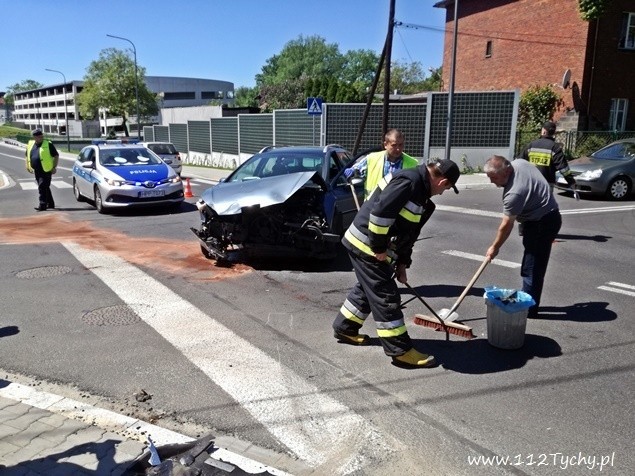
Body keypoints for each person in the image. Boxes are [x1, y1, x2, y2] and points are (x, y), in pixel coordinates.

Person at [333, 158, 461, 368]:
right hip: (366, 245)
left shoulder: (422, 197)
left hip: (373, 248)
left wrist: (402, 263)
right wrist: (379, 249)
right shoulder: (408, 182)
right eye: (446, 188)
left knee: (367, 289)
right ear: (443, 181)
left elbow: (409, 234)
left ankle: (345, 327)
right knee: (385, 295)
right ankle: (400, 350)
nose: (443, 192)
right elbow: (380, 215)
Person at [484, 155, 562, 319]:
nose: (492, 182)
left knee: (531, 268)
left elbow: (506, 226)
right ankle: (527, 300)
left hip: (541, 223)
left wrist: (494, 248)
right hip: (547, 215)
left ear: (506, 171)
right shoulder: (520, 163)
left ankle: (529, 309)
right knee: (533, 265)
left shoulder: (514, 193)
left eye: (494, 177)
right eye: (489, 177)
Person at [344, 128, 419, 199]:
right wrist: (352, 171)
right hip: (373, 206)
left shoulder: (413, 164)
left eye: (400, 145)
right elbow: (357, 170)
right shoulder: (372, 158)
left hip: (398, 208)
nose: (398, 149)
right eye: (394, 145)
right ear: (385, 144)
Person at [520, 121, 575, 191]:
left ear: (544, 131)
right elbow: (563, 168)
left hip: (531, 182)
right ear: (553, 133)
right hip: (546, 184)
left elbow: (519, 161)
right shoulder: (555, 147)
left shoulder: (531, 145)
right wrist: (571, 182)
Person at [25, 129, 59, 211]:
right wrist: (27, 166)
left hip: (46, 170)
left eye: (41, 136)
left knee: (42, 186)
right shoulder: (30, 145)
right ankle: (50, 203)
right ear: (34, 137)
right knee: (45, 187)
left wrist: (54, 167)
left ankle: (42, 205)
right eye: (39, 136)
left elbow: (56, 155)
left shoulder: (48, 144)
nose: (41, 137)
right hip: (37, 170)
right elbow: (27, 156)